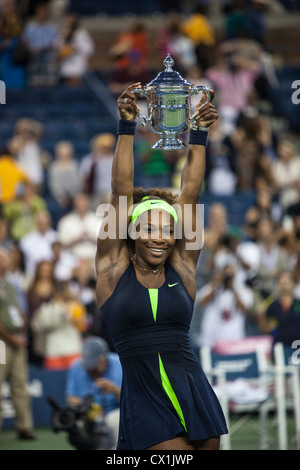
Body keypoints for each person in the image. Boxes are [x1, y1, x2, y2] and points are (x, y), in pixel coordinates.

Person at [95, 83, 228, 450]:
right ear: (131, 230)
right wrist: (125, 127)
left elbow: (191, 192)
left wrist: (199, 133)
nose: (160, 237)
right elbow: (120, 190)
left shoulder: (183, 267)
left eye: (169, 229)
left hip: (194, 392)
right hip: (145, 401)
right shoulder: (111, 269)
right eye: (149, 228)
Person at [0, 247, 35, 440]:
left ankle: (25, 427)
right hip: (1, 342)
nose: (7, 260)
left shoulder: (11, 284)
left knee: (20, 384)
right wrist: (11, 337)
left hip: (16, 339)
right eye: (3, 257)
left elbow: (19, 310)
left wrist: (22, 331)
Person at [65, 336, 122, 449]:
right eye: (87, 365)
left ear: (104, 359)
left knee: (114, 419)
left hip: (114, 412)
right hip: (89, 416)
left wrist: (115, 390)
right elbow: (70, 397)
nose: (89, 369)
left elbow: (131, 402)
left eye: (93, 365)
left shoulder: (119, 364)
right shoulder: (77, 366)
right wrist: (77, 403)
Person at [257, 270, 300, 349]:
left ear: (292, 284)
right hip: (281, 346)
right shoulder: (273, 306)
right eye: (282, 283)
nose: (285, 286)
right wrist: (264, 323)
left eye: (287, 283)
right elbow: (265, 328)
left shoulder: (298, 304)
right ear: (278, 285)